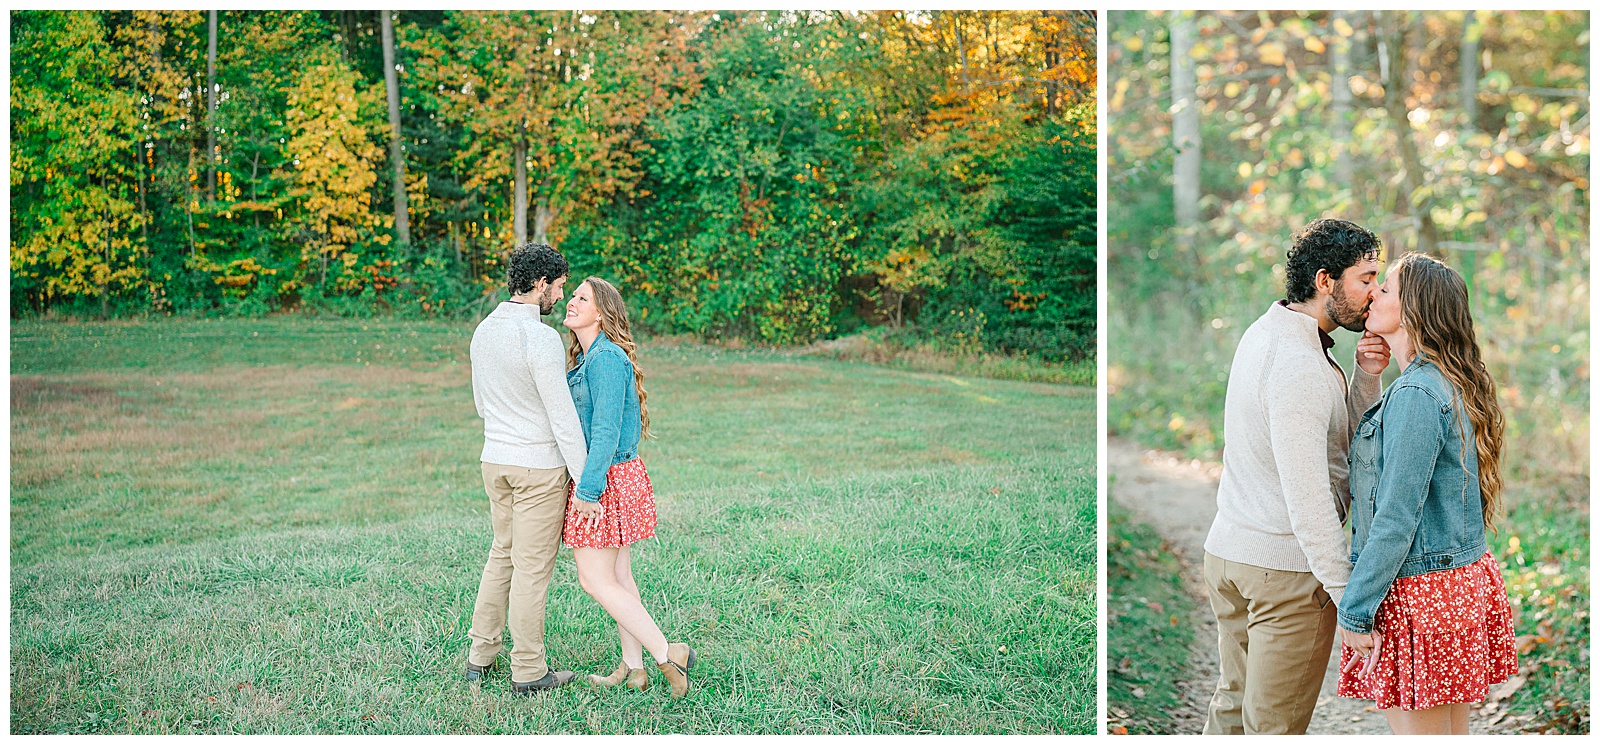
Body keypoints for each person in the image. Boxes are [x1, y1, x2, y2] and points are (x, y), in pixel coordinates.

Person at [1201, 218, 1392, 734]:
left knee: (1233, 710)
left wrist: (1366, 378)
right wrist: (1347, 595)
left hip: (1230, 556)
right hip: (1283, 574)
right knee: (1274, 728)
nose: (1375, 292)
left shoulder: (1268, 332)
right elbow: (1308, 497)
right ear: (1325, 280)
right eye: (1366, 278)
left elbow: (1332, 444)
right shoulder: (1299, 367)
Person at [1335, 253, 1517, 734]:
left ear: (1413, 312)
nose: (1373, 292)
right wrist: (1370, 376)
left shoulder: (1417, 393)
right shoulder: (1438, 381)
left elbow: (1396, 517)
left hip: (1422, 598)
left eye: (1386, 289)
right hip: (1450, 586)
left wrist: (1356, 610)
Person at [560, 277, 697, 698]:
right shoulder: (590, 357)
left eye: (583, 297)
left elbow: (603, 431)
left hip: (605, 480)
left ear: (601, 312)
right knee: (619, 575)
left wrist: (586, 491)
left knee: (594, 580)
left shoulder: (604, 359)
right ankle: (634, 668)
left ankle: (665, 652)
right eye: (573, 294)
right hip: (616, 475)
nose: (571, 301)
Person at [464, 243, 589, 694]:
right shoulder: (539, 338)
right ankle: (530, 670)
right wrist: (587, 481)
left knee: (502, 555)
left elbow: (481, 404)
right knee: (532, 569)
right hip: (538, 467)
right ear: (539, 285)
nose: (560, 297)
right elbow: (562, 418)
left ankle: (481, 655)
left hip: (494, 460)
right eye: (557, 288)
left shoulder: (484, 331)